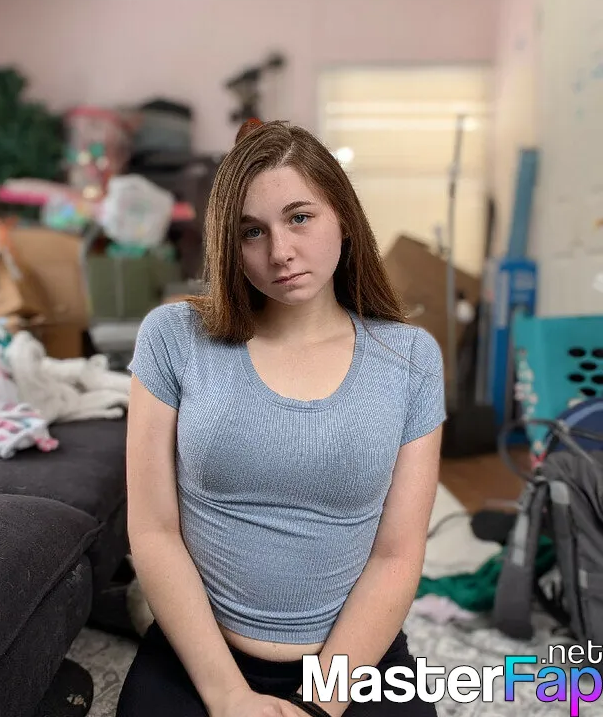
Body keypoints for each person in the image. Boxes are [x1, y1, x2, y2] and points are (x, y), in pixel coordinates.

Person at [116, 120, 446, 717]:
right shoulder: (173, 337)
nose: (280, 252)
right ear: (229, 243)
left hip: (353, 662)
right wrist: (226, 696)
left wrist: (320, 704)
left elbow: (397, 556)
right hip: (202, 653)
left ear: (343, 216)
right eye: (252, 231)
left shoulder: (410, 358)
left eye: (300, 217)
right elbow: (154, 531)